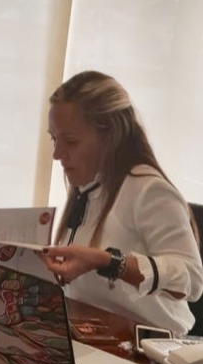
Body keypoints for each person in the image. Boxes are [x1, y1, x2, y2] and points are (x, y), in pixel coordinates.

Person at [41, 70, 203, 336]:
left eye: (71, 141)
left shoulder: (148, 190)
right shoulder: (87, 187)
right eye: (53, 138)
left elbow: (192, 280)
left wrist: (108, 262)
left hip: (149, 348)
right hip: (97, 337)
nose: (57, 154)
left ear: (111, 136)